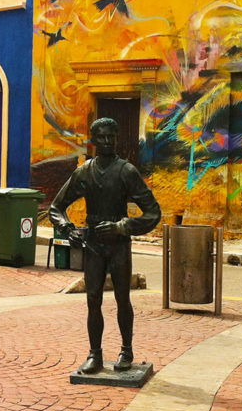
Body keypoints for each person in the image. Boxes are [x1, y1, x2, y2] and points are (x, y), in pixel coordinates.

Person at [50, 117, 161, 374]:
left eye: (111, 136)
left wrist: (122, 226)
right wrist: (67, 228)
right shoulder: (84, 172)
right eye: (102, 137)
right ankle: (95, 354)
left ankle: (126, 350)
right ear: (94, 140)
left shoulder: (126, 172)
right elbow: (57, 207)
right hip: (94, 244)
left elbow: (153, 213)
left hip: (119, 244)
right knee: (92, 300)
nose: (107, 141)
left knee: (123, 298)